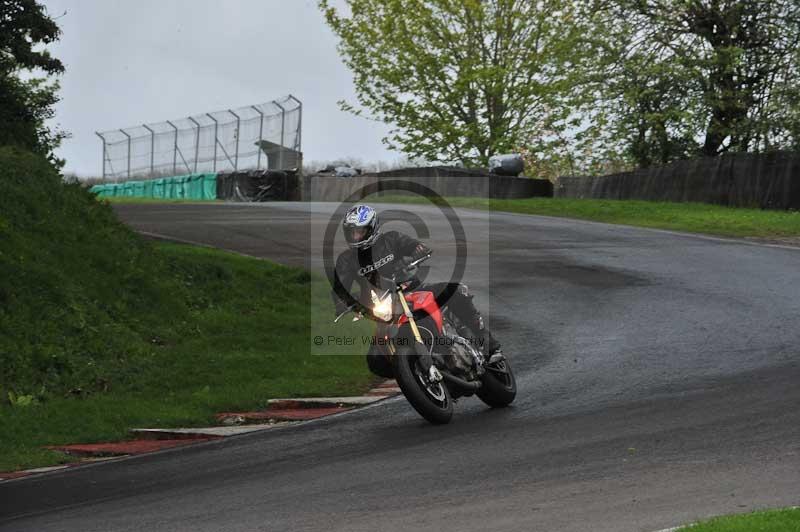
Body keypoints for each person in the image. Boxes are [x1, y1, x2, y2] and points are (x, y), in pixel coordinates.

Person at [331, 204, 501, 378]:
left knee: (455, 290)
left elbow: (417, 247)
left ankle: (486, 341)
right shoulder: (346, 260)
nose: (355, 236)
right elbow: (340, 288)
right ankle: (413, 374)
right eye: (351, 232)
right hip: (384, 308)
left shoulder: (391, 239)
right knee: (375, 360)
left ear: (372, 228)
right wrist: (344, 304)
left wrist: (414, 256)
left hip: (413, 291)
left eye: (360, 231)